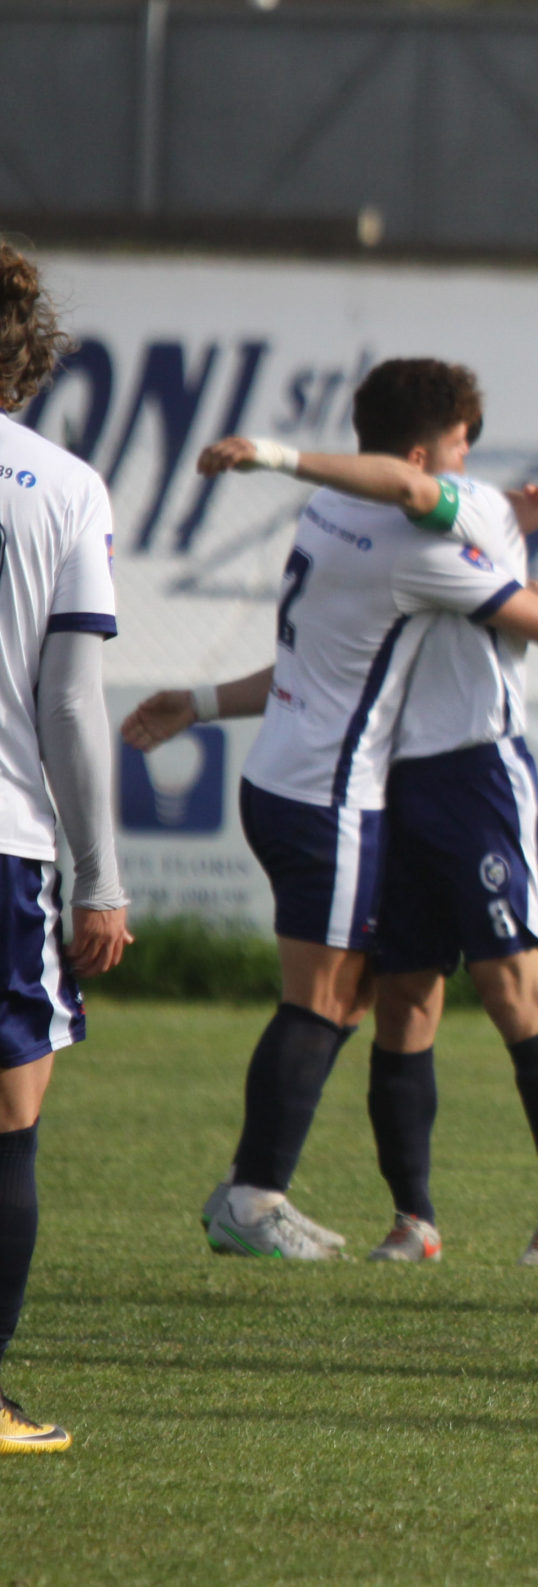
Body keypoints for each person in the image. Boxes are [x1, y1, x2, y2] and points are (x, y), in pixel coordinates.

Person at [120, 359, 538, 1261]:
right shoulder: (426, 549)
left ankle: (302, 1194)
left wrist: (200, 702)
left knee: (368, 989)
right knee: (328, 997)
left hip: (288, 777)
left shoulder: (329, 512)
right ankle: (254, 1196)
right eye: (460, 448)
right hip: (331, 795)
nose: (470, 464)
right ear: (422, 458)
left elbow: (316, 659)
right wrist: (276, 454)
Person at [0, 243, 132, 1454]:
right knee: (9, 1116)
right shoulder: (62, 488)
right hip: (6, 842)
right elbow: (72, 702)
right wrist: (101, 875)